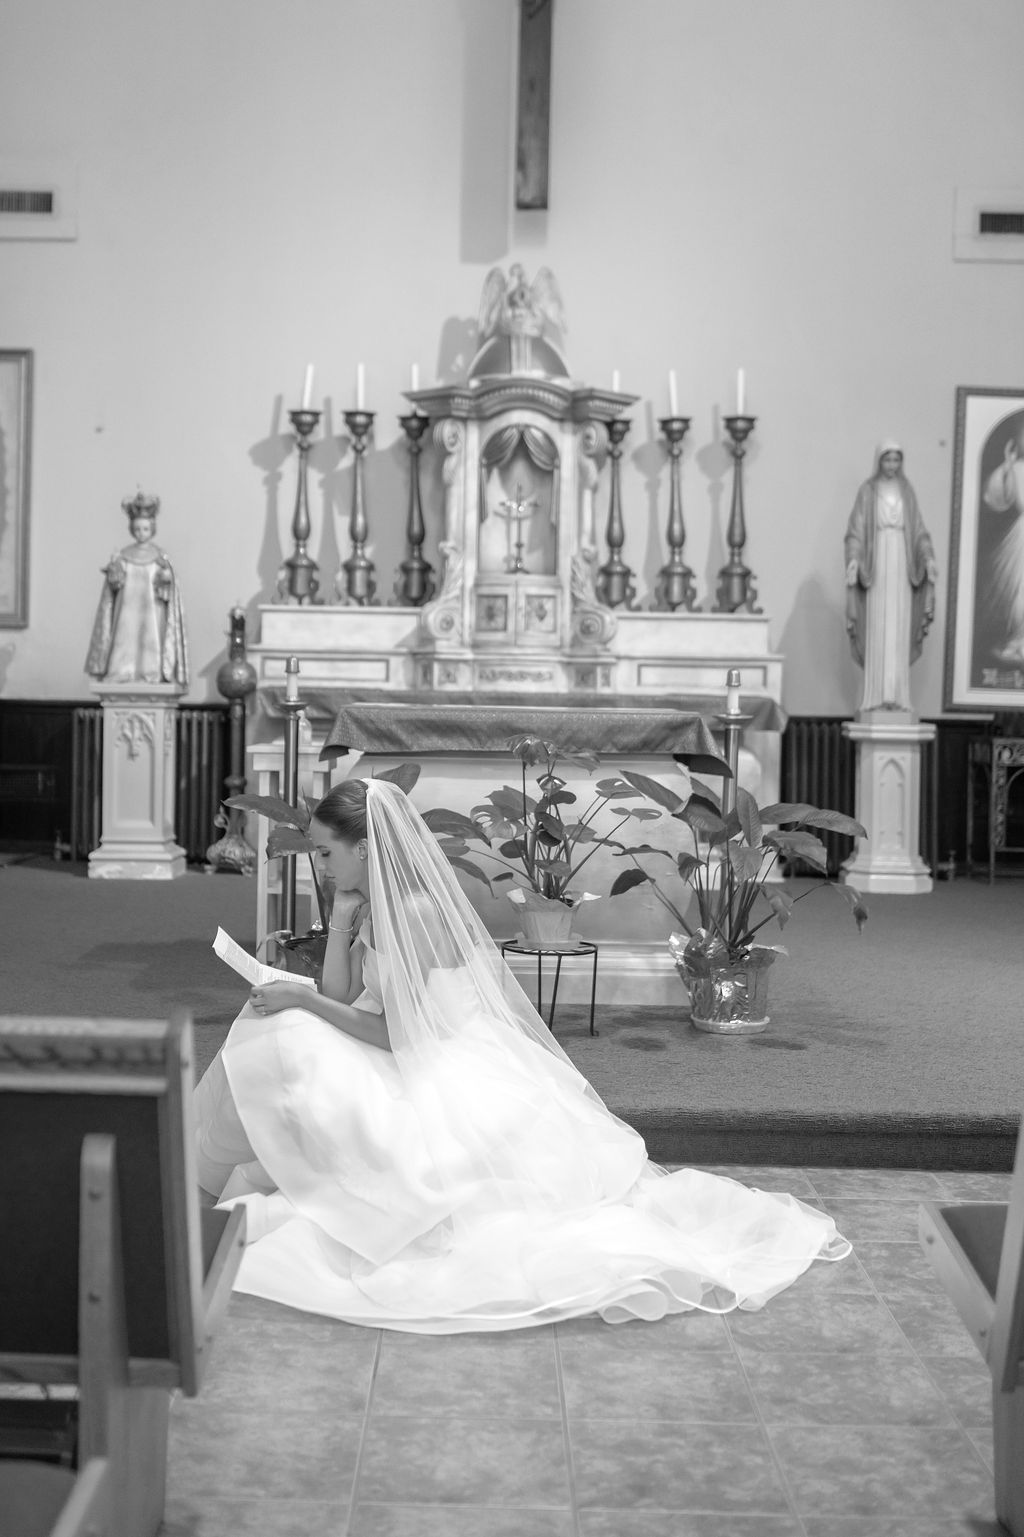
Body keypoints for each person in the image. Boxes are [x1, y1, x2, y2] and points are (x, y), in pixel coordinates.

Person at [194, 777, 850, 1333]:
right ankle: (217, 1171)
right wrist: (335, 926)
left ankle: (218, 1175)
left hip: (423, 1066)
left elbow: (396, 1036)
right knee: (273, 1029)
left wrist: (303, 1004)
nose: (321, 864)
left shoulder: (416, 911)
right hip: (392, 1041)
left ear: (364, 847)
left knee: (285, 1032)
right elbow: (343, 991)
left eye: (326, 852)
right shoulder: (368, 903)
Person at [844, 442, 937, 713]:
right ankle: (874, 696)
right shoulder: (868, 491)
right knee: (878, 627)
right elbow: (856, 532)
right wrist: (853, 560)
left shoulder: (906, 492)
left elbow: (919, 533)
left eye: (897, 460)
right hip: (876, 569)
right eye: (888, 460)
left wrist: (928, 558)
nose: (892, 465)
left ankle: (898, 696)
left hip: (902, 567)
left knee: (897, 628)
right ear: (879, 461)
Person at [85, 492, 189, 686]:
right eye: (138, 529)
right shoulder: (124, 556)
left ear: (152, 529)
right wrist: (114, 572)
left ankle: (151, 671)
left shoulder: (159, 557)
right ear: (132, 530)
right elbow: (114, 586)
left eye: (145, 528)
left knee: (150, 639)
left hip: (151, 610)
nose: (142, 532)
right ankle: (120, 671)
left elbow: (168, 589)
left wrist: (166, 578)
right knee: (125, 638)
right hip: (127, 610)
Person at [982, 422, 1024, 662]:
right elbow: (997, 498)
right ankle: (1020, 638)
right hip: (1021, 537)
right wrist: (1007, 467)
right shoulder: (1017, 468)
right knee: (1019, 590)